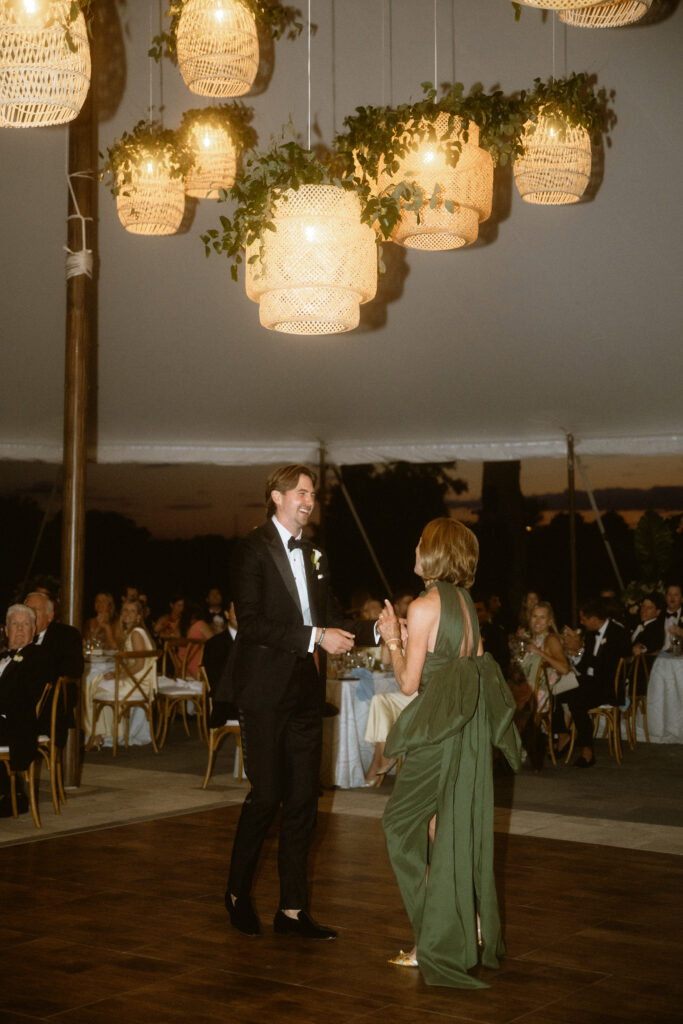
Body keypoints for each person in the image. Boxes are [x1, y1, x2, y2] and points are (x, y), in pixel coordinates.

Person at [214, 464, 378, 940]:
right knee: (266, 797)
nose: (310, 500)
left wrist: (376, 631)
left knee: (305, 800)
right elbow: (253, 623)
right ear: (276, 496)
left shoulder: (316, 553)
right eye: (302, 492)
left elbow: (333, 620)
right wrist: (316, 635)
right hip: (264, 692)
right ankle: (237, 895)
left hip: (306, 692)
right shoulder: (251, 548)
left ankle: (292, 910)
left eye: (313, 494)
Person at [376, 518, 521, 988]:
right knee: (443, 827)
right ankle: (463, 925)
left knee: (399, 826)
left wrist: (392, 636)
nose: (415, 548)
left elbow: (408, 683)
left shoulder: (422, 606)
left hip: (438, 730)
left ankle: (438, 936)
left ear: (435, 552)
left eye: (421, 543)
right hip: (465, 727)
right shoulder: (464, 603)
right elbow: (464, 661)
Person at [560, 597, 632, 767]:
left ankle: (587, 750)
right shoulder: (591, 633)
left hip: (608, 687)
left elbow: (606, 667)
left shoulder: (618, 633)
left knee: (576, 698)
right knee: (558, 688)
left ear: (594, 619)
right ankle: (563, 734)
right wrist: (576, 655)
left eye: (583, 619)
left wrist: (580, 650)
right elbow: (586, 665)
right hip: (591, 682)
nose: (581, 622)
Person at [82, 599, 157, 747]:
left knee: (92, 686)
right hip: (135, 680)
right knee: (97, 681)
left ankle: (97, 734)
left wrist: (118, 675)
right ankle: (104, 733)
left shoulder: (136, 633)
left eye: (132, 611)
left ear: (139, 616)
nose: (127, 614)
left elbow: (139, 664)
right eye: (125, 610)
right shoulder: (132, 632)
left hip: (139, 683)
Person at [0, 605, 51, 816]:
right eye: (15, 624)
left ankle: (9, 796)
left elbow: (20, 696)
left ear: (34, 629)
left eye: (25, 624)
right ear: (6, 630)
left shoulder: (36, 657)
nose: (20, 629)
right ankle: (10, 795)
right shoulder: (5, 657)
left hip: (17, 725)